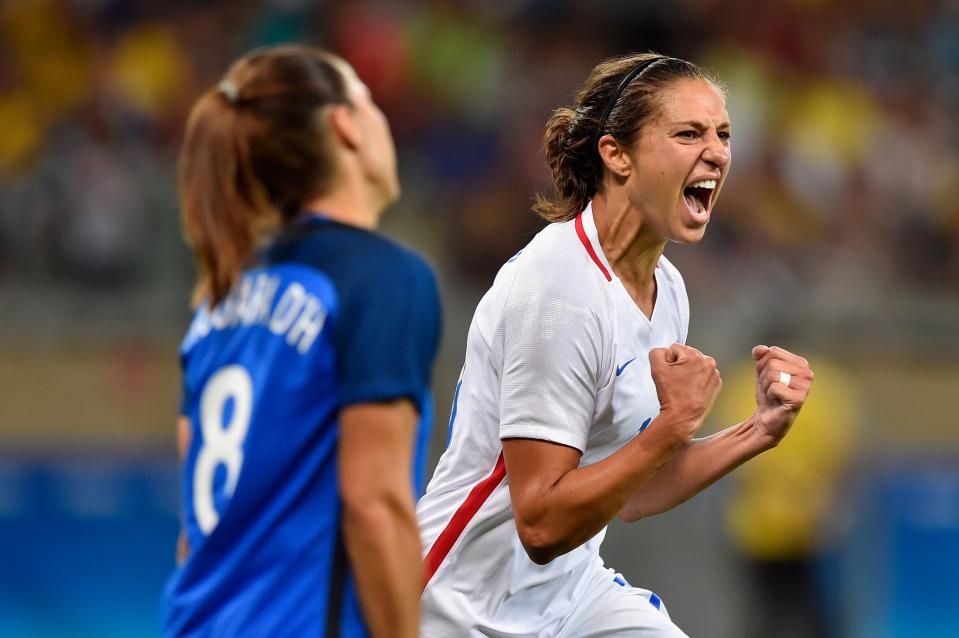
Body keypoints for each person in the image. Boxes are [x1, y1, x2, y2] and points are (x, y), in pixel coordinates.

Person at [416, 52, 814, 637]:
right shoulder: (559, 287)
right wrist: (671, 426)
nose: (718, 152)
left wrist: (757, 430)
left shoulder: (668, 290)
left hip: (571, 596)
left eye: (723, 134)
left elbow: (630, 489)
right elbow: (542, 524)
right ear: (616, 155)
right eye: (689, 133)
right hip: (465, 608)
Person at [161, 45, 441, 638]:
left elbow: (195, 533)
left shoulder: (217, 302)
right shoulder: (382, 278)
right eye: (368, 99)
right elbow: (375, 504)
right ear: (345, 125)